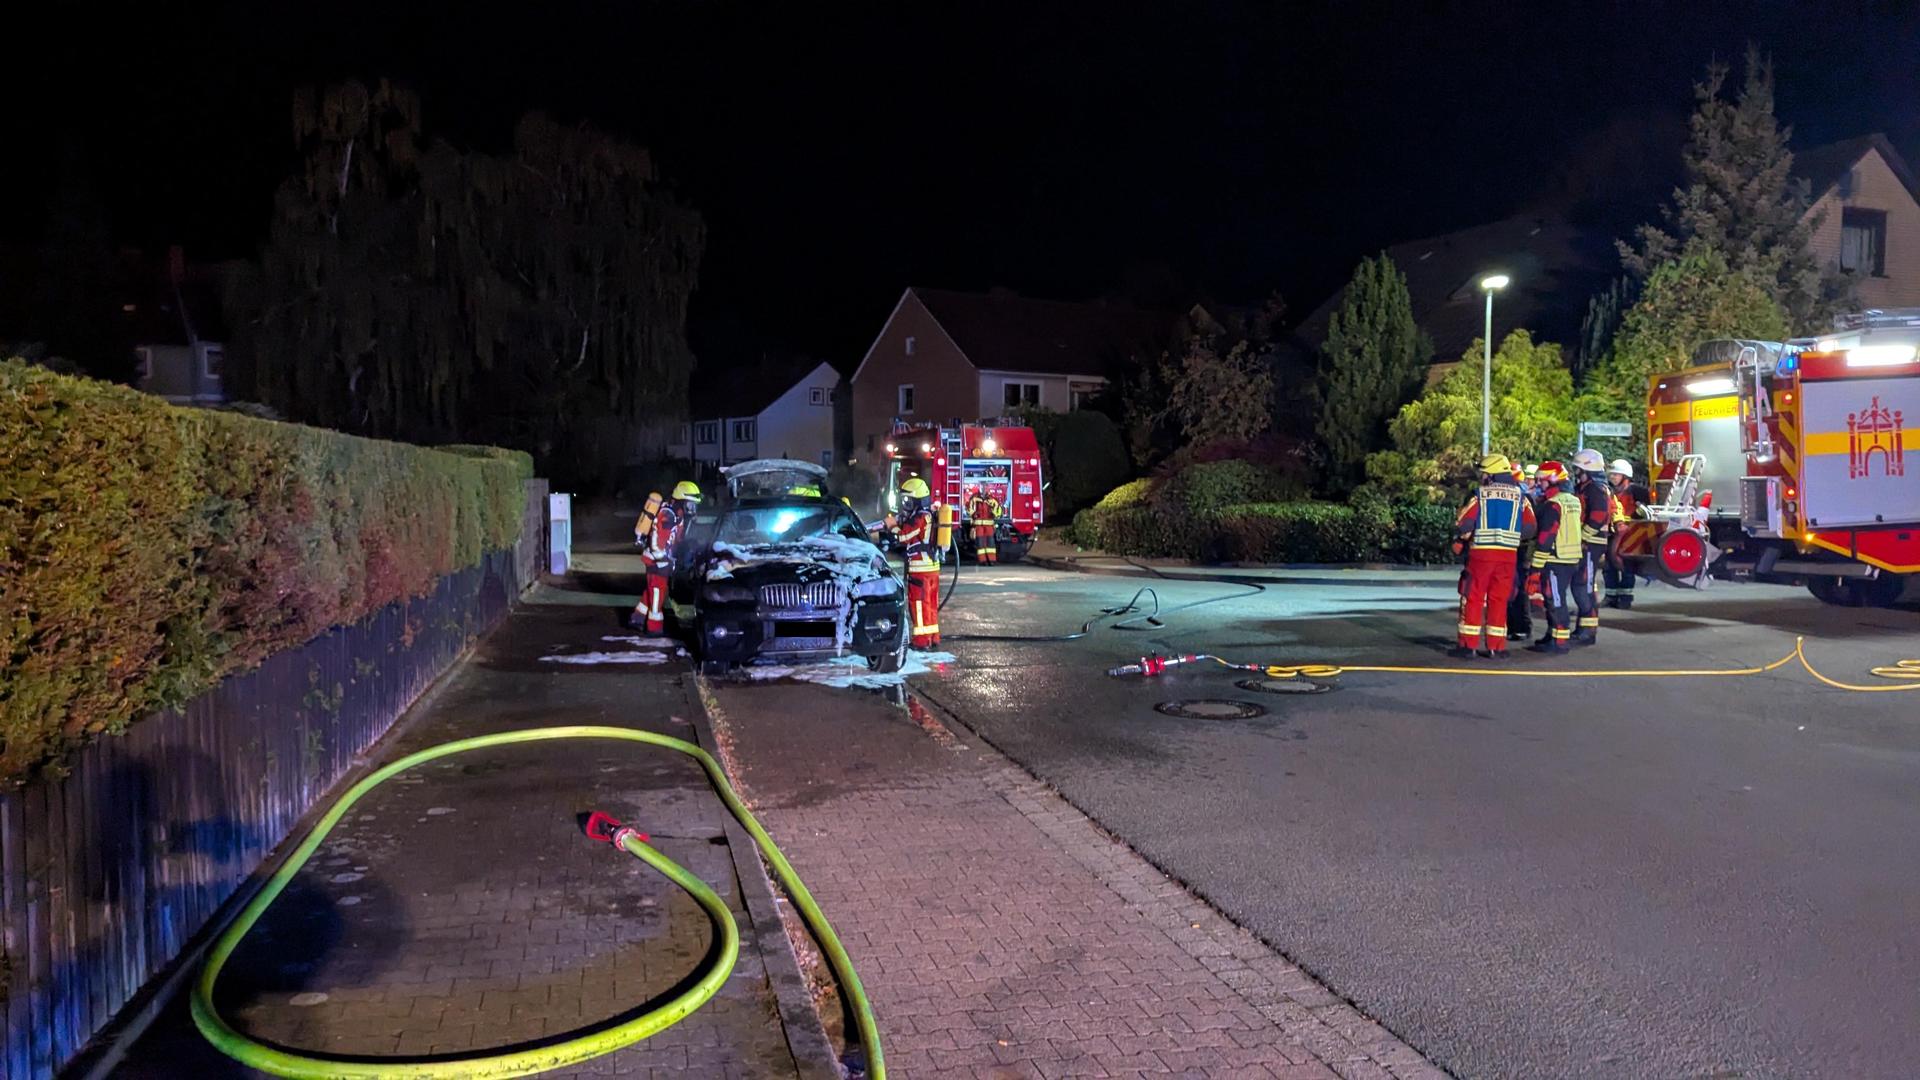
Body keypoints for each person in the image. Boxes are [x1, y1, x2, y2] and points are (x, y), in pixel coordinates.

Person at [1450, 453, 1537, 659]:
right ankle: (1496, 647)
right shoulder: (1521, 497)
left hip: (1481, 555)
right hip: (1508, 556)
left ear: (1491, 474)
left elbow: (1464, 524)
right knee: (1499, 600)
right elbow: (1531, 528)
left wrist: (1461, 538)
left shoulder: (1480, 495)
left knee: (1473, 598)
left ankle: (1468, 645)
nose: (1482, 477)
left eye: (1484, 473)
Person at [1528, 461, 1583, 654]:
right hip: (1571, 558)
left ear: (1552, 480)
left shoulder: (1553, 505)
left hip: (1555, 559)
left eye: (1541, 480)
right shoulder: (1573, 500)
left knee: (1555, 601)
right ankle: (1552, 635)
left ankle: (1559, 641)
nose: (1538, 484)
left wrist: (1535, 568)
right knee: (1556, 599)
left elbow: (1545, 538)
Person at [634, 480, 701, 633]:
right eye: (690, 504)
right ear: (681, 500)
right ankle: (654, 627)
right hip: (656, 561)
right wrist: (662, 560)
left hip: (661, 560)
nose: (692, 509)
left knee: (653, 589)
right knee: (657, 593)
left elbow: (674, 539)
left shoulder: (678, 515)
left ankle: (637, 618)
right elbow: (656, 539)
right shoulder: (668, 514)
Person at [1569, 448, 1613, 644]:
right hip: (1588, 542)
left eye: (1577, 469)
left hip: (1591, 543)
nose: (1575, 473)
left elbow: (1598, 516)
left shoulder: (1595, 489)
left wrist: (1583, 538)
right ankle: (1584, 628)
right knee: (1581, 585)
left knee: (1583, 585)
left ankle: (1588, 632)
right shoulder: (1587, 488)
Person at [894, 477, 943, 649]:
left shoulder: (920, 517)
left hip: (920, 570)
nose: (906, 504)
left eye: (908, 500)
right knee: (931, 604)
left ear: (917, 500)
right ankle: (933, 637)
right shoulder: (929, 515)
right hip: (932, 568)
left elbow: (903, 537)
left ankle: (921, 641)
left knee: (919, 606)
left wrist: (892, 526)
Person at [1603, 458, 1652, 609]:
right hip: (1613, 533)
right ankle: (1610, 596)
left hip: (1630, 534)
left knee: (1626, 566)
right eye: (1611, 474)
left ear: (1625, 476)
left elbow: (1646, 512)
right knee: (1609, 566)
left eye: (1616, 474)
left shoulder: (1636, 492)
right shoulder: (1610, 492)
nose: (1612, 477)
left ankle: (1625, 598)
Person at [1507, 463, 1539, 643]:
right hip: (1512, 549)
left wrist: (1528, 557)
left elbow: (1532, 529)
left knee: (1518, 590)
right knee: (1510, 589)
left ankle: (1521, 627)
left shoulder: (1524, 499)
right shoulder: (1520, 496)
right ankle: (1513, 626)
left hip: (1520, 550)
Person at [966, 485, 1003, 565]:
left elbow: (998, 511)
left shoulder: (992, 499)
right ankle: (983, 560)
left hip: (989, 525)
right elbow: (969, 509)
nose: (983, 489)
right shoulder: (974, 498)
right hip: (978, 525)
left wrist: (994, 513)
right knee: (980, 543)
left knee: (990, 543)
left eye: (985, 488)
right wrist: (973, 514)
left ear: (987, 489)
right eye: (982, 487)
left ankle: (991, 560)